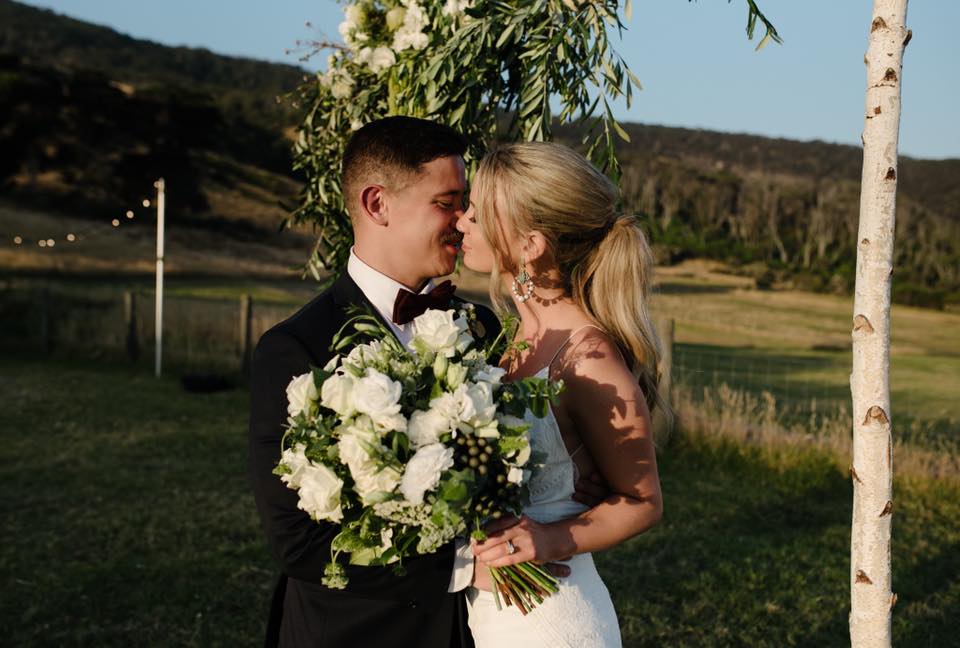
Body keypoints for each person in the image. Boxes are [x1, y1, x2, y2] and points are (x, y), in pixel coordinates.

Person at [247, 116, 502, 648]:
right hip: (353, 631)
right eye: (447, 201)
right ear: (377, 204)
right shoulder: (295, 349)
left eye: (466, 202)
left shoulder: (482, 328)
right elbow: (298, 542)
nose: (466, 219)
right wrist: (462, 568)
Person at [455, 141, 665, 647]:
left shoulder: (586, 355)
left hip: (552, 620)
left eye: (479, 214)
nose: (462, 221)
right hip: (494, 615)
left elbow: (643, 501)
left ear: (529, 245)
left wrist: (550, 538)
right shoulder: (511, 338)